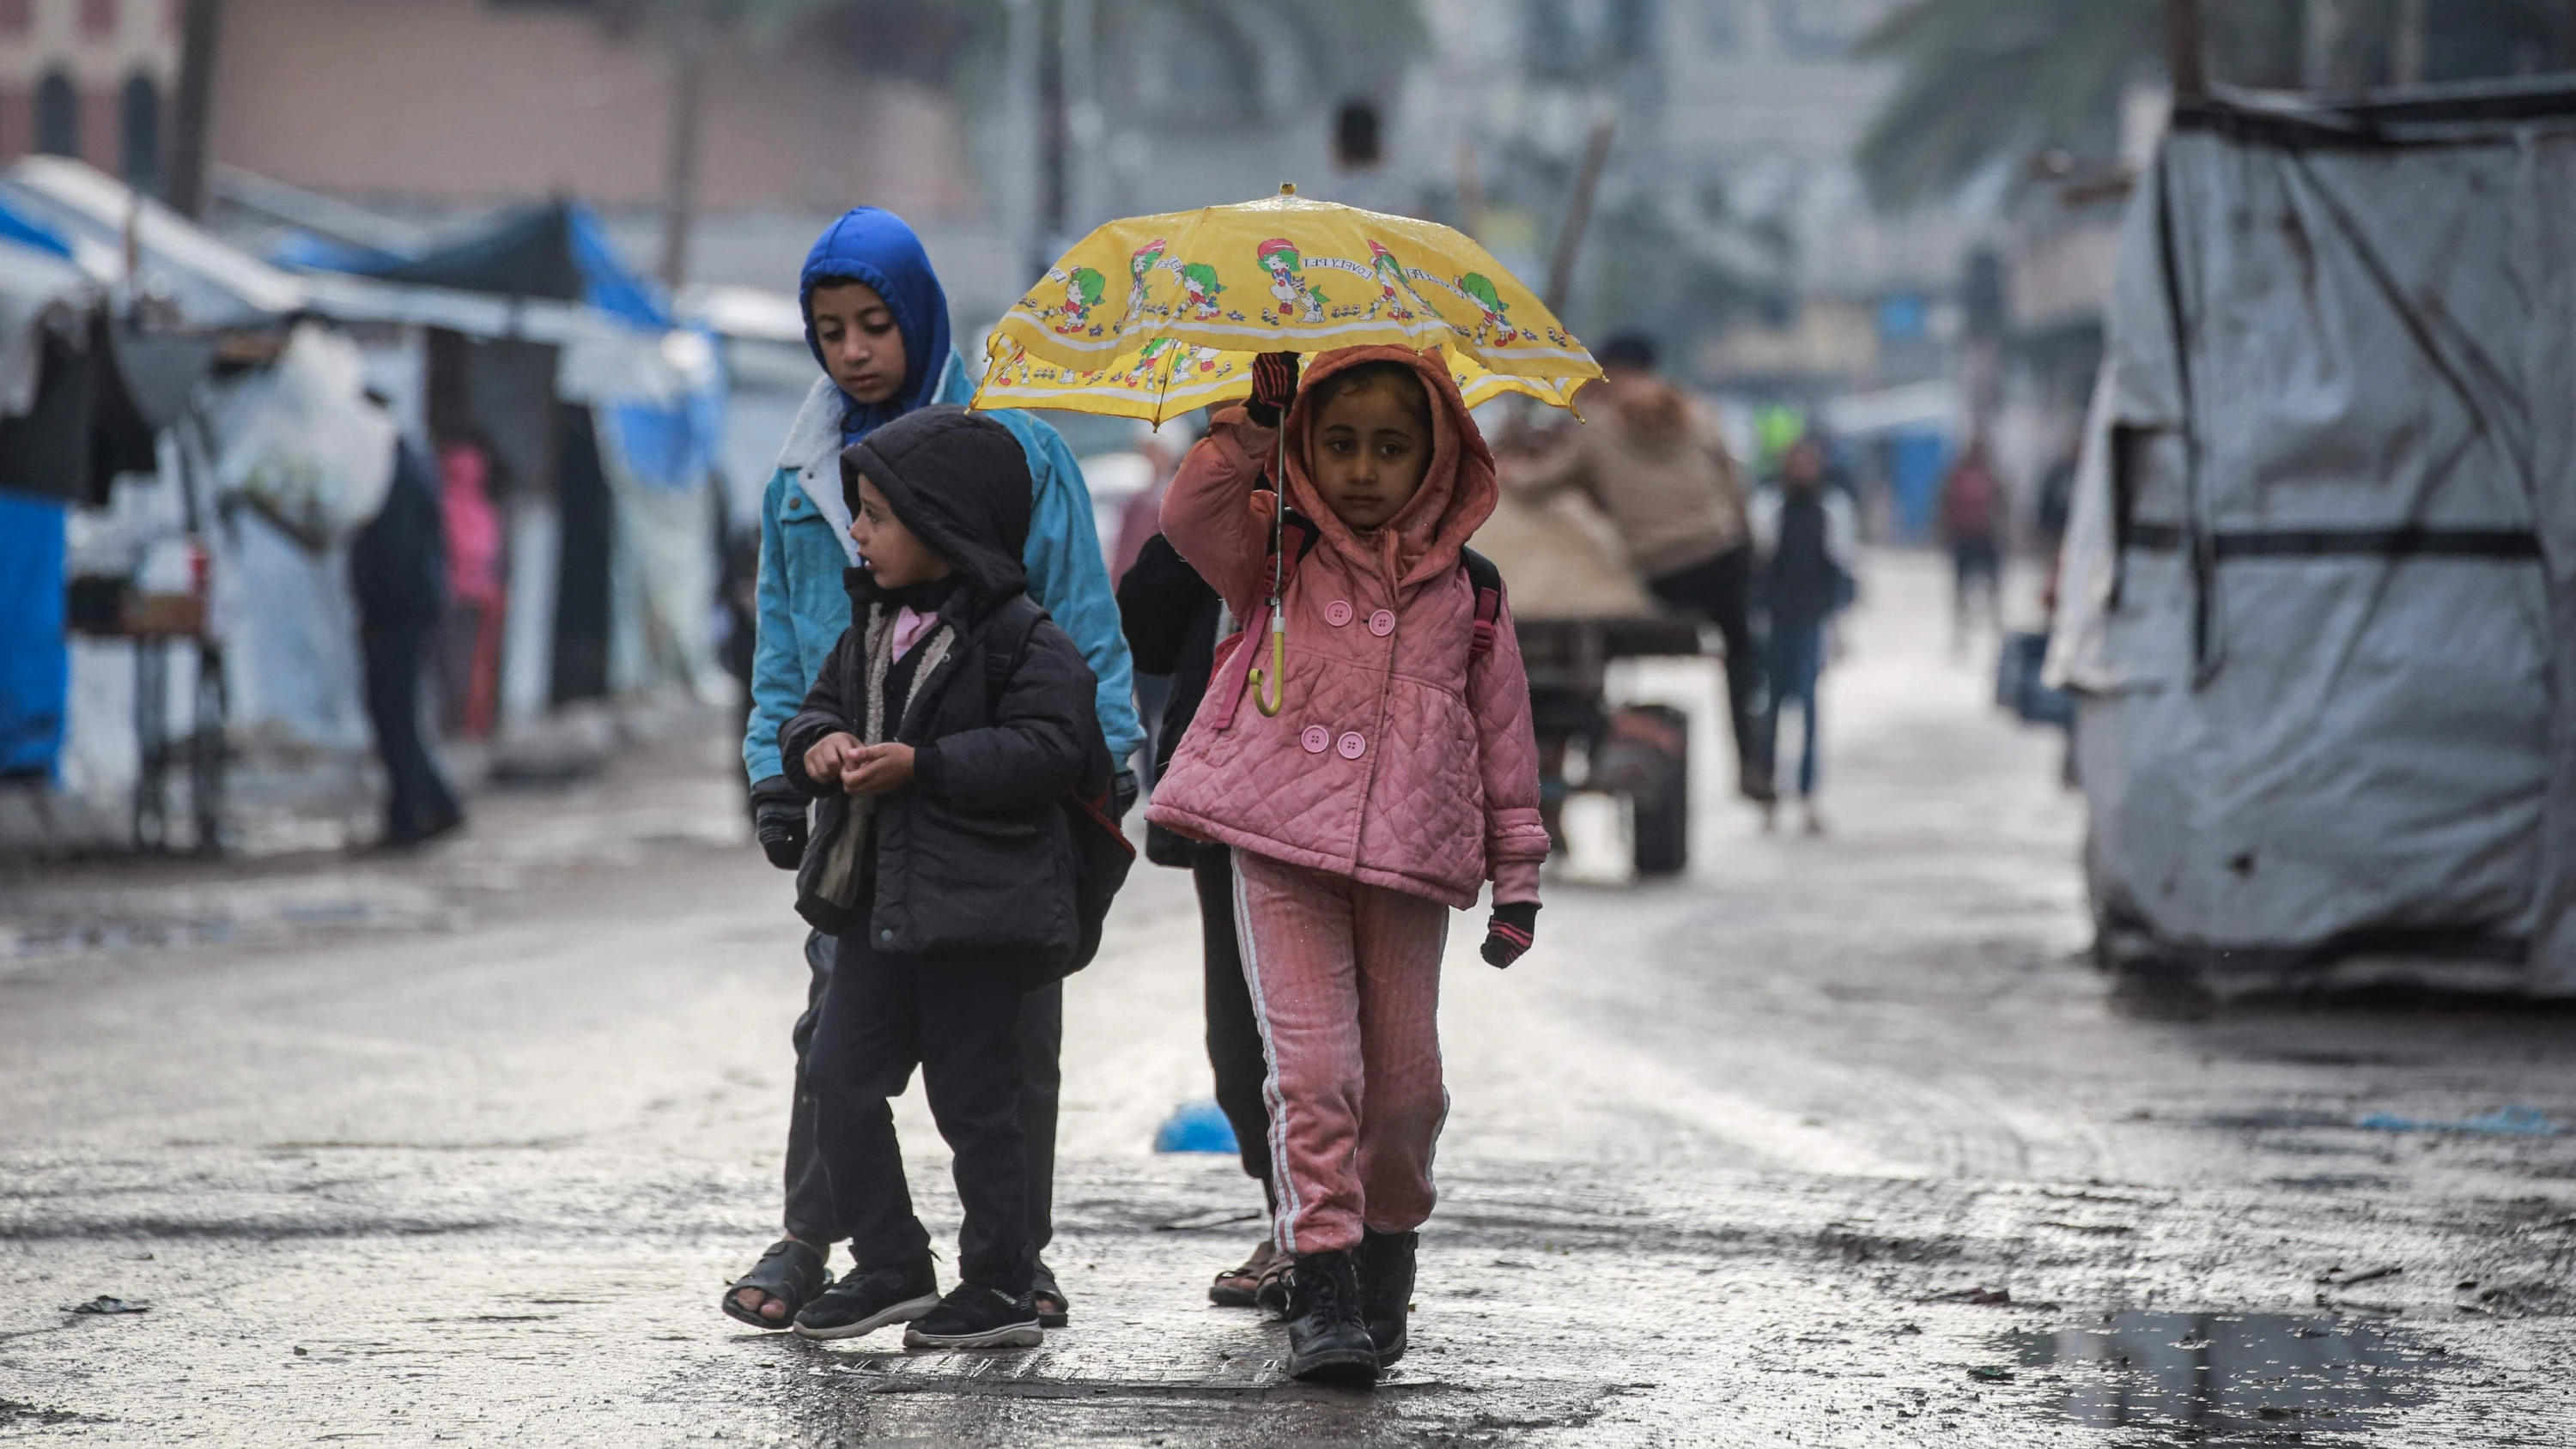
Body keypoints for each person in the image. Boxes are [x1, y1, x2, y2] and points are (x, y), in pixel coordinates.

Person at [724, 208, 1141, 1334]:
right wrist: (782, 762)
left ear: (918, 315)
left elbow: (1080, 620)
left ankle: (1014, 1262)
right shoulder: (800, 470)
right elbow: (789, 638)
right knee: (838, 1030)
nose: (853, 350)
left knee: (1005, 1047)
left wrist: (1104, 762)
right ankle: (827, 1240)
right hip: (857, 804)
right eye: (830, 331)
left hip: (999, 808)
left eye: (874, 324)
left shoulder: (1011, 447)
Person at [1149, 347, 1549, 1385]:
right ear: (1310, 450)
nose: (1365, 469)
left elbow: (1505, 740)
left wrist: (1520, 877)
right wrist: (1252, 427)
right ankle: (1322, 1287)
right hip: (1279, 847)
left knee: (1407, 1091)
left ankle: (1387, 1259)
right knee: (1315, 1076)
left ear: (1439, 457)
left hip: (1409, 865)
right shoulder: (1273, 553)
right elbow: (1188, 516)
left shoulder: (1474, 595)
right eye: (1341, 444)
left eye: (1391, 447)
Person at [775, 405, 1112, 1349]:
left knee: (979, 1107)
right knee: (836, 1076)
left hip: (981, 916)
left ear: (949, 524)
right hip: (878, 905)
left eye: (880, 514)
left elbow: (1052, 747)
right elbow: (811, 713)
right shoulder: (871, 629)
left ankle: (1000, 1284)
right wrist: (820, 747)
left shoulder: (1023, 639)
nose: (863, 533)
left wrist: (927, 766)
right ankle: (890, 1261)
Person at [1116, 531, 1280, 1310]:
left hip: (1347, 800)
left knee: (1337, 1041)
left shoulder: (1384, 510)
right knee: (1239, 1036)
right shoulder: (1220, 510)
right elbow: (1143, 628)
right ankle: (1290, 1216)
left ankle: (1340, 1239)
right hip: (1221, 794)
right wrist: (1211, 503)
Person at [1502, 330, 1767, 800]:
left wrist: (1503, 462)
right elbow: (1735, 492)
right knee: (1743, 657)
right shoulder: (1699, 414)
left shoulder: (1596, 429)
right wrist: (1749, 557)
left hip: (1665, 574)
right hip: (1724, 561)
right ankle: (1751, 760)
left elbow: (1536, 488)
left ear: (1613, 369)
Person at [352, 429, 465, 849]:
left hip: (397, 608)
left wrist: (378, 600)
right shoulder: (406, 461)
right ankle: (432, 804)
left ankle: (410, 817)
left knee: (394, 713)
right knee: (397, 713)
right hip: (408, 604)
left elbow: (397, 549)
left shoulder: (390, 468)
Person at [1750, 439, 1858, 835]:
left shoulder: (1832, 508)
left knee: (1811, 712)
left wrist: (1841, 626)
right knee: (1771, 711)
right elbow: (1758, 565)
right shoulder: (1768, 506)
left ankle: (1809, 796)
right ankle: (1769, 797)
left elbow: (1843, 566)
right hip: (1775, 623)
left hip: (1813, 623)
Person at [1939, 435, 2004, 653]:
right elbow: (1944, 504)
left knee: (1993, 588)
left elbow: (2002, 504)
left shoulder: (1992, 476)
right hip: (1964, 538)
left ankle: (1995, 632)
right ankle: (1961, 634)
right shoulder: (1957, 477)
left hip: (1986, 538)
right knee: (1961, 591)